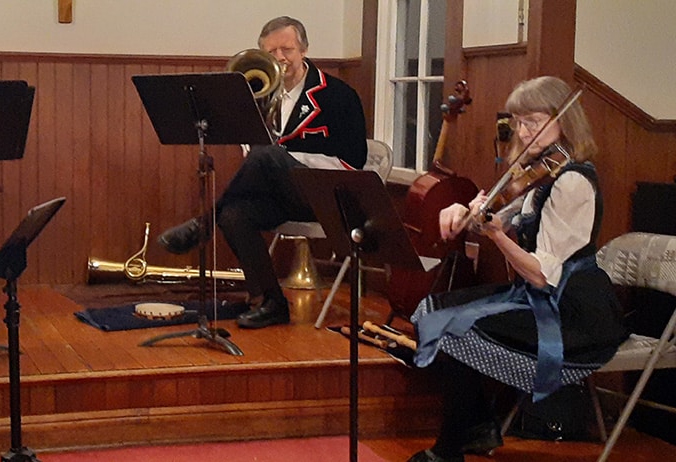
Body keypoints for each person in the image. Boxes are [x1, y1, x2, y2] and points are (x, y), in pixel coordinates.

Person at [406, 76, 628, 462]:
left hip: (574, 312)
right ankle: (477, 427)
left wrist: (496, 236)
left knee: (458, 328)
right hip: (538, 296)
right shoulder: (539, 174)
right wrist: (464, 211)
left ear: (565, 122)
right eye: (519, 123)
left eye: (535, 121)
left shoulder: (572, 182)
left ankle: (448, 450)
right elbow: (494, 216)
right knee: (434, 308)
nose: (524, 133)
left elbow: (542, 272)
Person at [158, 16, 367, 329]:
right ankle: (272, 302)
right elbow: (254, 156)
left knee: (268, 156)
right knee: (234, 214)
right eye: (272, 51)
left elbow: (354, 161)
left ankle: (204, 222)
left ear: (305, 50)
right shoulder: (260, 93)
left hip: (326, 195)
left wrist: (287, 159)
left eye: (287, 49)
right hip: (281, 192)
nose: (280, 57)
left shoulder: (339, 95)